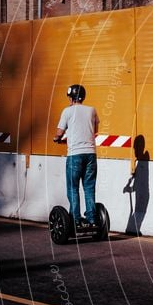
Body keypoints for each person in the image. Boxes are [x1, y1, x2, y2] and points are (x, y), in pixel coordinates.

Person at [53, 84, 99, 229]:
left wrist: (57, 138)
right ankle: (92, 220)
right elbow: (95, 130)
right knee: (89, 188)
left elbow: (59, 132)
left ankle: (76, 220)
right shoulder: (92, 110)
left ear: (71, 97)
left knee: (73, 188)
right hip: (91, 154)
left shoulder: (67, 111)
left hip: (75, 155)